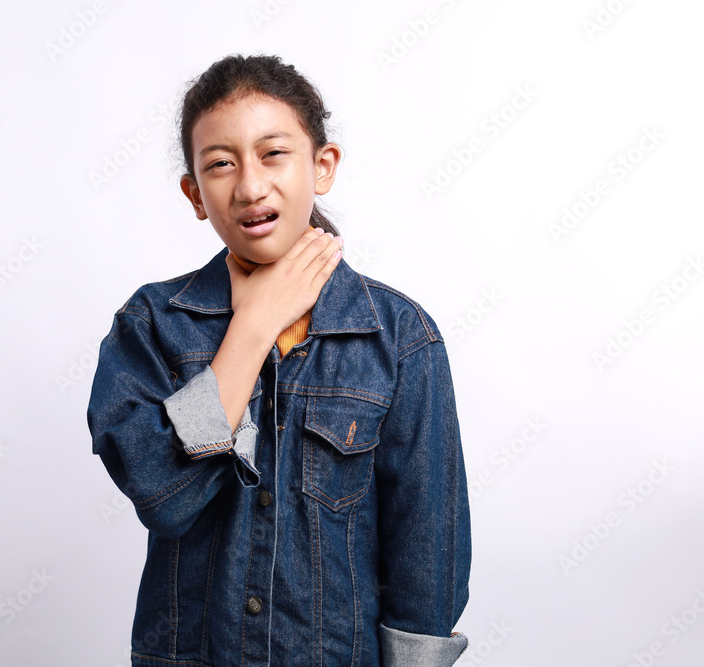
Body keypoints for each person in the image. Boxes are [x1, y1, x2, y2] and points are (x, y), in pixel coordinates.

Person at [87, 53, 470, 667]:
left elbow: (428, 555)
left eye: (273, 154)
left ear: (322, 166)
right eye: (220, 163)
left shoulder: (399, 336)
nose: (249, 186)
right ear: (195, 194)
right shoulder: (152, 324)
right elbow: (162, 495)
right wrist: (254, 326)